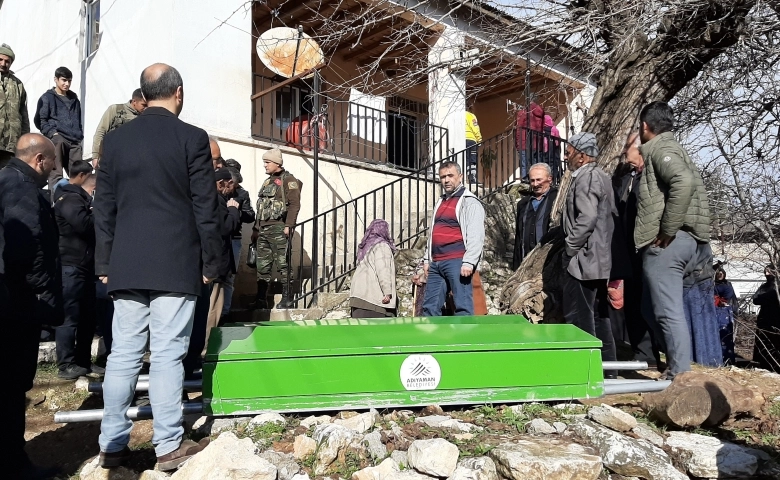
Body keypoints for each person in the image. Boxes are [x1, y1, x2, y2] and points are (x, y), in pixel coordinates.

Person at [94, 63, 220, 471]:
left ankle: (111, 444)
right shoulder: (192, 138)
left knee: (122, 356)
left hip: (126, 264)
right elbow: (206, 205)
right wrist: (212, 261)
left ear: (145, 95)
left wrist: (104, 261)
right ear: (178, 93)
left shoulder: (115, 141)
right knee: (167, 355)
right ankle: (168, 446)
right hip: (176, 262)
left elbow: (104, 207)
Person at [630, 101, 711, 379]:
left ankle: (679, 373)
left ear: (644, 126)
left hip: (668, 244)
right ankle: (680, 360)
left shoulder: (661, 148)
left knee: (666, 310)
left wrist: (668, 228)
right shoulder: (670, 147)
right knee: (650, 308)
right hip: (682, 242)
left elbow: (683, 182)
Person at [0, 133, 63, 479]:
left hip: (8, 298)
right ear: (39, 160)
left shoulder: (4, 179)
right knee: (11, 387)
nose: (54, 169)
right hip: (14, 304)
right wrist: (42, 291)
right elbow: (28, 244)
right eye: (52, 162)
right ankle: (13, 464)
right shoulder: (22, 188)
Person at [560, 132, 618, 376]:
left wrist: (570, 247)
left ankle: (585, 372)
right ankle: (608, 371)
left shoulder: (587, 177)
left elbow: (588, 217)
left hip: (584, 260)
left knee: (580, 317)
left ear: (582, 156)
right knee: (599, 317)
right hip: (597, 258)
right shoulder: (601, 176)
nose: (566, 156)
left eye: (569, 151)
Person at [614, 134, 661, 368]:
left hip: (647, 249)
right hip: (628, 251)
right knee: (632, 302)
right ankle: (643, 354)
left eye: (627, 148)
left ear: (640, 150)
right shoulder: (626, 179)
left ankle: (656, 353)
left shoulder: (652, 178)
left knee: (648, 303)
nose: (624, 152)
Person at [54, 160, 101, 379]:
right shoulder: (69, 198)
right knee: (69, 317)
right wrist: (96, 211)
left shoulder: (79, 199)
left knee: (87, 317)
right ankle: (66, 364)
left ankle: (83, 361)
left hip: (85, 266)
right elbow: (85, 226)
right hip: (70, 266)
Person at [421, 161, 485, 316]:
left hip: (457, 261)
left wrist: (469, 262)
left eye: (450, 175)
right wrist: (426, 260)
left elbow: (476, 235)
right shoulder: (441, 201)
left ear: (460, 177)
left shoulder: (470, 202)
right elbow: (433, 233)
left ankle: (464, 339)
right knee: (429, 308)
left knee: (462, 306)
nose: (446, 180)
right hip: (436, 262)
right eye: (442, 177)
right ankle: (431, 340)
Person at [250, 148, 302, 309]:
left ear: (277, 163)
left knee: (283, 264)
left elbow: (294, 204)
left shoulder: (289, 180)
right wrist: (255, 229)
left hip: (279, 229)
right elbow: (261, 208)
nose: (265, 165)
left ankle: (287, 298)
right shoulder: (267, 182)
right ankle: (261, 299)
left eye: (267, 162)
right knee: (262, 266)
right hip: (263, 230)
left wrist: (289, 225)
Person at [34, 66, 84, 195]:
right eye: (63, 80)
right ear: (55, 80)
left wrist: (79, 135)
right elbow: (40, 120)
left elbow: (78, 120)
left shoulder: (74, 99)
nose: (66, 84)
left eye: (69, 81)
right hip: (58, 139)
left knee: (79, 175)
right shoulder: (47, 98)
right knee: (56, 175)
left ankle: (76, 203)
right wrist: (53, 134)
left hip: (74, 141)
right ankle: (54, 206)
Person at [221, 160, 255, 319]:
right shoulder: (215, 189)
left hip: (234, 237)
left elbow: (250, 216)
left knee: (229, 277)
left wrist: (235, 211)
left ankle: (225, 312)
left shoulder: (242, 194)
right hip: (218, 237)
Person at [512, 162, 558, 269]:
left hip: (550, 262)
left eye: (539, 180)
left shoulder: (557, 200)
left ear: (550, 179)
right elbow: (519, 238)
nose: (535, 184)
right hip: (526, 262)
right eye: (532, 180)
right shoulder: (523, 204)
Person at [349, 219, 398, 318]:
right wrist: (387, 292)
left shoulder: (367, 247)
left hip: (359, 298)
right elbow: (383, 270)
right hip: (373, 301)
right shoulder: (382, 246)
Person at [92, 88, 148, 167]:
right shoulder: (115, 109)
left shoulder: (144, 117)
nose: (146, 108)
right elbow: (101, 131)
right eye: (144, 105)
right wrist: (96, 156)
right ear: (134, 101)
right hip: (111, 157)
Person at [0, 44, 30, 168]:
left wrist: (24, 142)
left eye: (7, 61)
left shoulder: (18, 85)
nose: (3, 64)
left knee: (6, 181)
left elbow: (24, 115)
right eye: (0, 60)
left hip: (10, 145)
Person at [752, 265, 780, 372]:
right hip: (764, 317)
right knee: (762, 340)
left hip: (775, 318)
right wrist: (766, 298)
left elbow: (775, 297)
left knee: (773, 341)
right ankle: (763, 364)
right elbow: (755, 299)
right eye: (765, 272)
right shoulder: (763, 287)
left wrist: (765, 298)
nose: (767, 274)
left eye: (769, 272)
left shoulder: (777, 286)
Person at [515, 100, 544, 181]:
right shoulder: (540, 113)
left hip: (524, 142)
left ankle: (525, 181)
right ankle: (537, 179)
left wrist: (517, 144)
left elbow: (519, 128)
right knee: (536, 164)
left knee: (524, 164)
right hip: (537, 143)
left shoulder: (524, 112)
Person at [714, 267, 738, 365]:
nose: (720, 275)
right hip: (713, 312)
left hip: (724, 312)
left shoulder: (727, 285)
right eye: (718, 274)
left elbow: (728, 298)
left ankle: (727, 360)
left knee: (725, 336)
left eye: (721, 273)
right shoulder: (711, 285)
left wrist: (719, 300)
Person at [465, 103, 482, 185]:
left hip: (462, 140)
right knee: (472, 161)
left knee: (466, 160)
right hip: (471, 140)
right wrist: (479, 140)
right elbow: (475, 128)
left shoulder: (459, 116)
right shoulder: (471, 116)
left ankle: (468, 177)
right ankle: (472, 178)